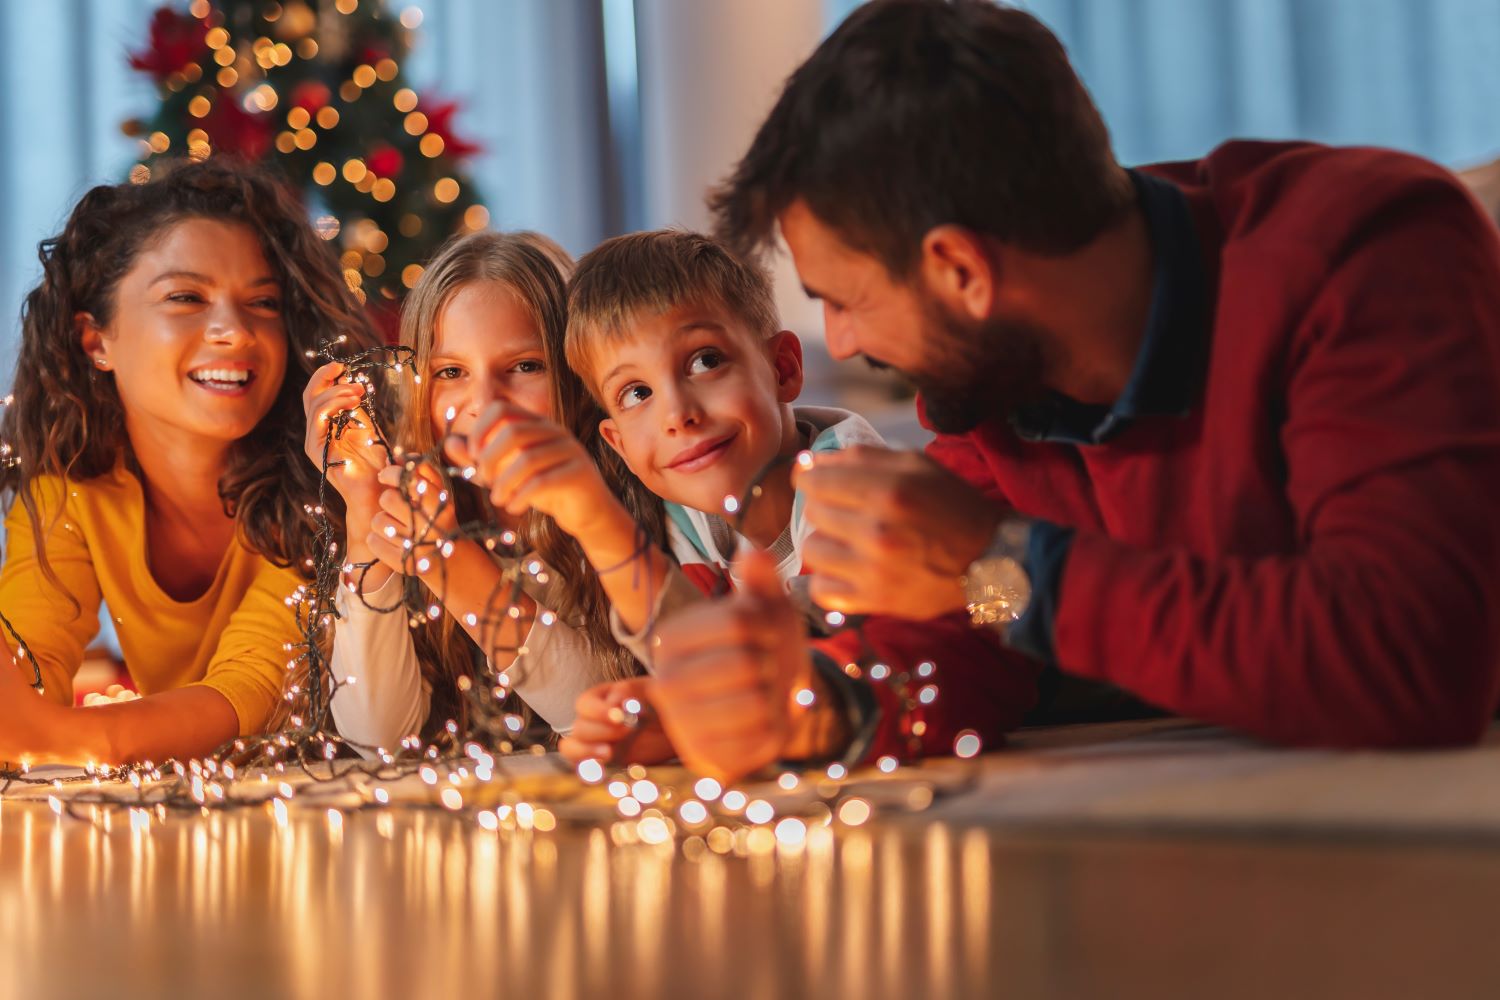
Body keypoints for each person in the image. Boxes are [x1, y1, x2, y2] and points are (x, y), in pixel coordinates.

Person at [644, 0, 1500, 781]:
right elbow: (979, 638)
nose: (842, 342)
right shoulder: (997, 384)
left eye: (847, 299)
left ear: (960, 270)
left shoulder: (1364, 251)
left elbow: (1411, 656)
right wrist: (814, 707)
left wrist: (999, 561)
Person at [455, 230, 885, 778]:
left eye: (705, 361)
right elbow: (695, 662)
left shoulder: (851, 478)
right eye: (637, 393)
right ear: (618, 445)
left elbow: (805, 670)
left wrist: (593, 515)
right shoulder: (686, 522)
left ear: (783, 368)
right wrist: (654, 713)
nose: (677, 413)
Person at [0, 157, 379, 767]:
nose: (232, 330)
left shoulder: (328, 477)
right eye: (185, 297)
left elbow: (253, 693)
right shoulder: (71, 490)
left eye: (263, 303)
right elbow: (28, 674)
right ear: (96, 340)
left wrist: (63, 738)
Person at [305, 231, 636, 756]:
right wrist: (365, 511)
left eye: (525, 366)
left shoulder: (623, 508)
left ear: (576, 373)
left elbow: (599, 710)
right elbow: (378, 741)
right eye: (451, 372)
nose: (484, 401)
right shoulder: (423, 502)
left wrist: (447, 562)